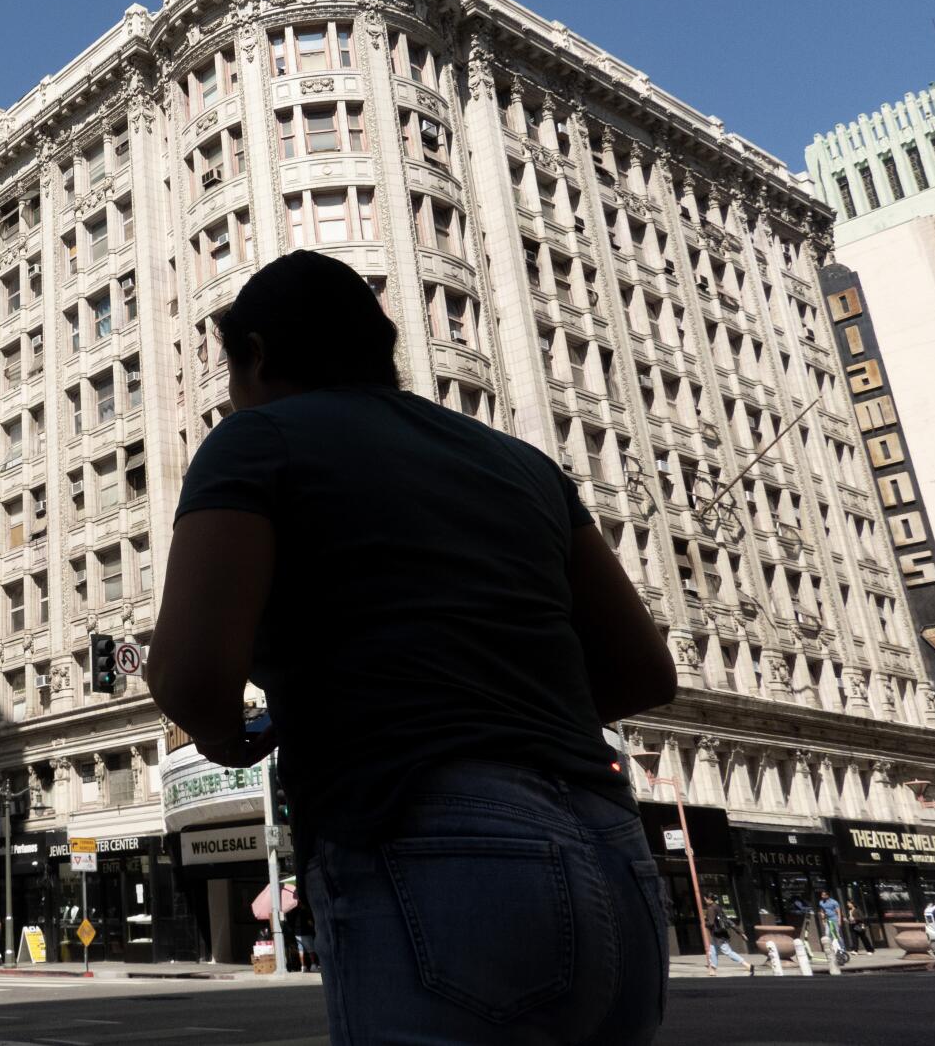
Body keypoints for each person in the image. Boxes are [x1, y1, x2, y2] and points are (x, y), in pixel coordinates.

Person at [146, 251, 678, 1046]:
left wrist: (230, 735)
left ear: (253, 354)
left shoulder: (256, 441)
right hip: (616, 854)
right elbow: (644, 670)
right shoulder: (525, 465)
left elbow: (189, 675)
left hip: (431, 844)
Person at [703, 899, 752, 973]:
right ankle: (713, 970)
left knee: (728, 952)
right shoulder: (718, 908)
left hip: (718, 935)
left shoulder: (711, 908)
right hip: (718, 934)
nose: (705, 900)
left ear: (708, 899)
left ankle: (747, 965)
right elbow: (728, 921)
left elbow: (710, 923)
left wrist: (705, 922)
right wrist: (740, 932)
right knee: (713, 951)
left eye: (705, 899)